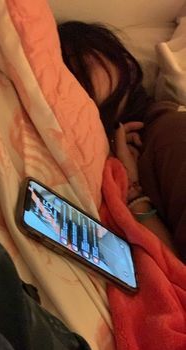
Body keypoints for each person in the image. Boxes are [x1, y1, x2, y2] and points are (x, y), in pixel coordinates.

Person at [58, 21, 177, 255]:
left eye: (81, 65)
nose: (72, 82)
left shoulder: (170, 136)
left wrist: (135, 195)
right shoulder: (121, 150)